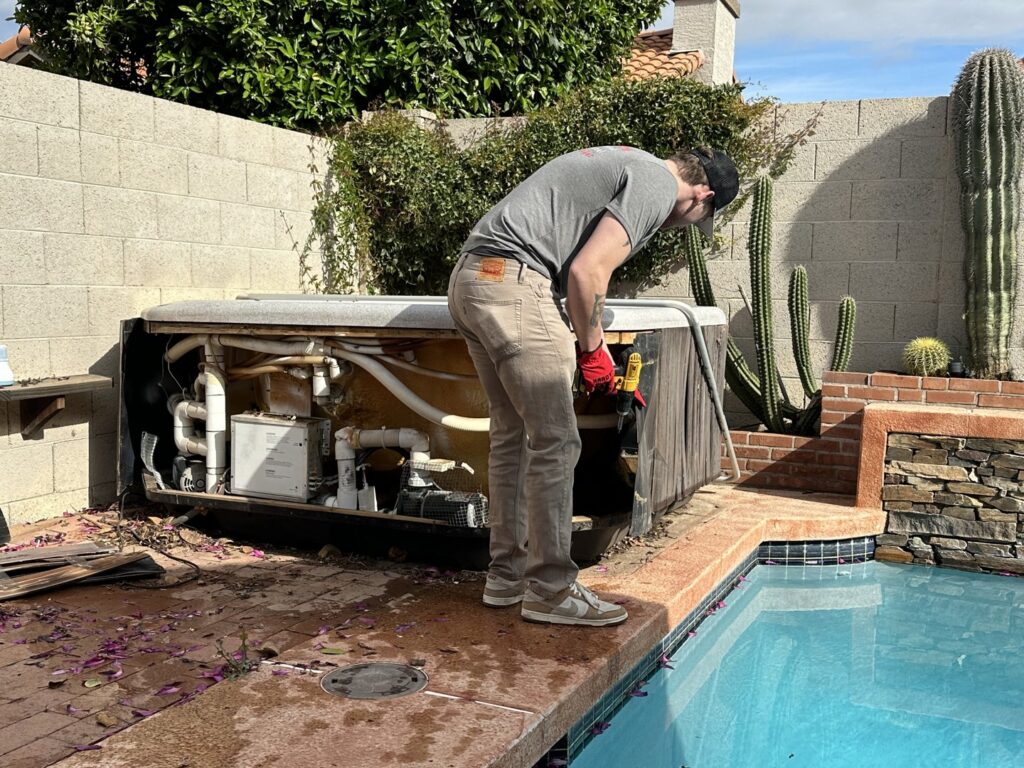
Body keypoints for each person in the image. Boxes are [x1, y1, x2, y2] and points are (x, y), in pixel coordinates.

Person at [447, 146, 739, 627]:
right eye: (697, 218)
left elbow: (576, 270)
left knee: (513, 437)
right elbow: (588, 271)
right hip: (514, 282)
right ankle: (551, 590)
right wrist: (593, 350)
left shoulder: (626, 162)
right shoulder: (657, 182)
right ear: (701, 196)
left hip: (473, 278)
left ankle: (507, 577)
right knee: (556, 441)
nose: (684, 225)